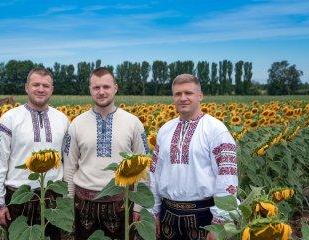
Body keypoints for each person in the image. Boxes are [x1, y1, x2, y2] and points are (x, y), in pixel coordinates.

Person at [0, 67, 69, 239]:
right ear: (26, 87)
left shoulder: (62, 119)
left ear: (52, 89)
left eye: (45, 85)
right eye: (36, 84)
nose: (40, 89)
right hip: (18, 197)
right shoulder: (10, 118)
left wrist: (67, 198)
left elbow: (69, 160)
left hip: (53, 197)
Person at [63, 67, 150, 240]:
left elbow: (143, 167)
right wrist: (67, 205)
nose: (101, 92)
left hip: (122, 203)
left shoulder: (133, 123)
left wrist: (139, 207)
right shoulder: (76, 124)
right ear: (90, 90)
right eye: (96, 87)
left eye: (106, 87)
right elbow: (70, 167)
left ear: (115, 88)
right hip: (84, 202)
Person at [149, 74, 238, 240]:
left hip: (205, 215)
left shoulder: (216, 130)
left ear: (200, 96)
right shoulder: (165, 130)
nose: (183, 98)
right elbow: (154, 174)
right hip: (168, 214)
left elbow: (227, 177)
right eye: (177, 94)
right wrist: (152, 211)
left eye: (188, 93)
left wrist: (220, 221)